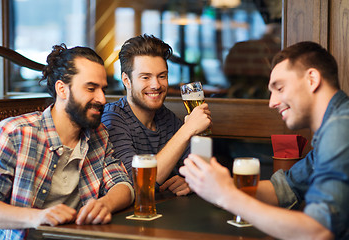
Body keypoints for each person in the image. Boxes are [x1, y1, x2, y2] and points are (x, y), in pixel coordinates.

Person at [180, 41, 349, 239]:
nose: (272, 102)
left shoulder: (340, 128)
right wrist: (215, 183)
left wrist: (226, 195)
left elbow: (317, 231)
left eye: (280, 88)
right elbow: (286, 188)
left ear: (312, 79)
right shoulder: (334, 126)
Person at [0, 44, 134, 239]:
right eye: (91, 88)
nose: (101, 98)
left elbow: (123, 185)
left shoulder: (99, 134)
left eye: (103, 89)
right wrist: (37, 217)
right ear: (62, 89)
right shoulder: (13, 134)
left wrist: (105, 203)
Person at [101, 34, 211, 196]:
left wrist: (188, 181)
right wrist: (188, 129)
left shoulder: (166, 117)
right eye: (145, 77)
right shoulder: (113, 119)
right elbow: (139, 183)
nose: (156, 85)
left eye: (162, 76)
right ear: (126, 80)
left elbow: (201, 171)